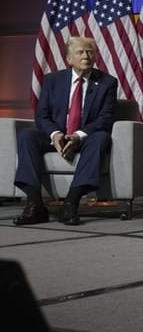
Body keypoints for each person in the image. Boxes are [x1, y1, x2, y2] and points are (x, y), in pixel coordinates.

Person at [15, 36, 118, 226]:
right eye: (80, 52)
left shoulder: (107, 83)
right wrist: (55, 134)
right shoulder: (53, 80)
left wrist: (78, 136)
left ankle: (71, 203)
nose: (86, 56)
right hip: (56, 136)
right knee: (26, 135)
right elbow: (42, 116)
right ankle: (35, 205)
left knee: (102, 138)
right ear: (69, 59)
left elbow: (105, 118)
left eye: (90, 52)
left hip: (85, 138)